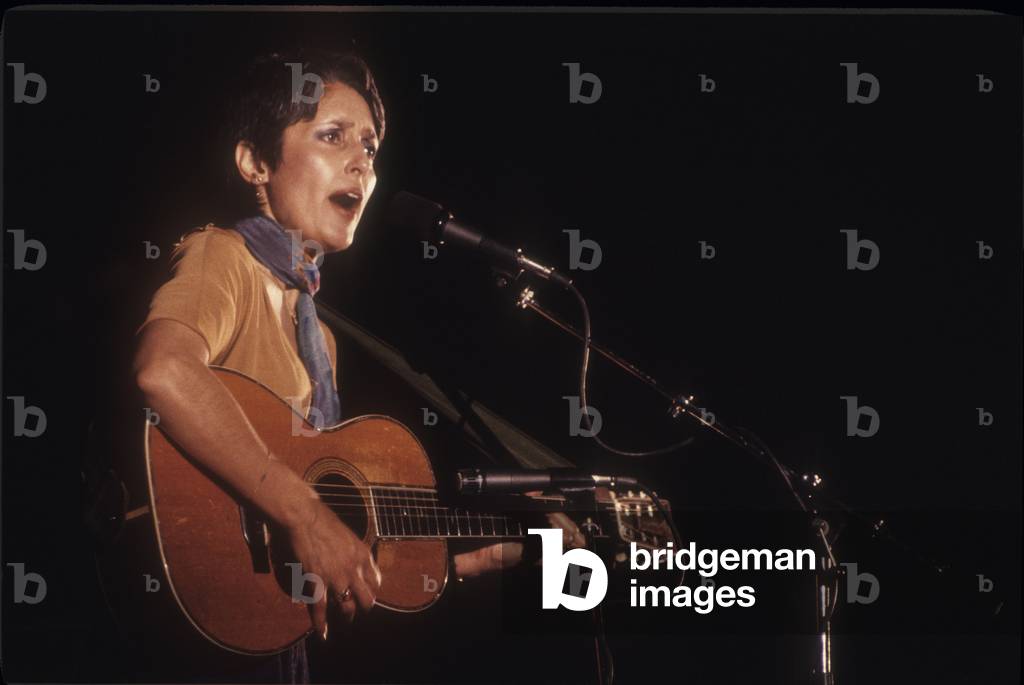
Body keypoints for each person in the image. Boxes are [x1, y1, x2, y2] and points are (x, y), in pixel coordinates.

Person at [132, 48, 583, 684]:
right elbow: (165, 372)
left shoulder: (320, 335)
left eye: (369, 146)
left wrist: (508, 552)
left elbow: (344, 557)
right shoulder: (222, 258)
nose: (360, 162)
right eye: (331, 135)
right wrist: (307, 513)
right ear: (254, 163)